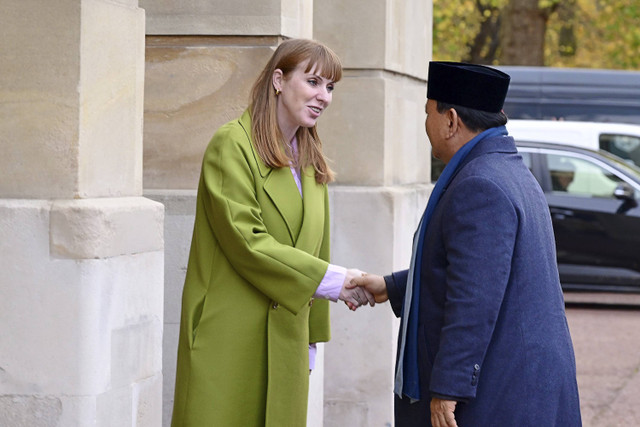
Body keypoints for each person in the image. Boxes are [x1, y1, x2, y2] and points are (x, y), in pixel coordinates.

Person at [350, 61, 582, 426]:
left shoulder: (481, 184)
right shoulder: (505, 168)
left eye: (428, 113)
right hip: (520, 385)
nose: (426, 125)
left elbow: (474, 296)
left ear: (451, 120)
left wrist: (447, 390)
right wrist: (390, 286)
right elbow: (477, 268)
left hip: (497, 394)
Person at [171, 39, 374, 427]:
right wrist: (337, 282)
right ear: (278, 80)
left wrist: (310, 343)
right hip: (228, 339)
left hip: (286, 341)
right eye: (313, 82)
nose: (324, 96)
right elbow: (247, 240)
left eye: (330, 87)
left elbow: (317, 248)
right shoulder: (231, 145)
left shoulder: (312, 162)